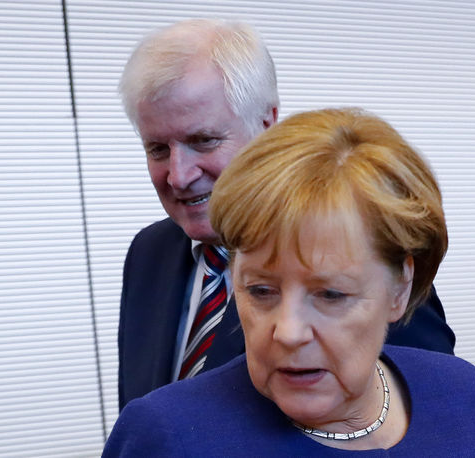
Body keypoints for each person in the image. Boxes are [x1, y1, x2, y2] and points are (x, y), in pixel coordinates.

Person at [103, 107, 475, 456]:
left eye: (330, 294)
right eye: (261, 291)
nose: (289, 332)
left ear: (400, 289)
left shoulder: (464, 394)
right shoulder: (166, 435)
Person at [117, 18, 455, 411]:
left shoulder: (358, 262)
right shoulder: (148, 252)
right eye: (158, 149)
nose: (179, 175)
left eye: (203, 141)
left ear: (267, 124)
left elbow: (431, 419)